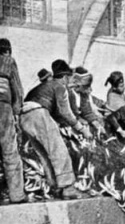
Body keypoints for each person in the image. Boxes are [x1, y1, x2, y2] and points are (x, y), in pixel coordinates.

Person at [21, 59, 91, 199]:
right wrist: (82, 129)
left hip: (24, 117)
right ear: (65, 76)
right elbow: (66, 113)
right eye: (70, 77)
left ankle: (54, 187)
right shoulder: (60, 86)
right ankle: (68, 188)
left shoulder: (43, 86)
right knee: (59, 150)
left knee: (44, 155)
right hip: (38, 113)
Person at [0, 38, 26, 203]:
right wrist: (17, 113)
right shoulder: (8, 61)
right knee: (10, 150)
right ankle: (16, 194)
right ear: (8, 50)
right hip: (3, 108)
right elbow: (17, 88)